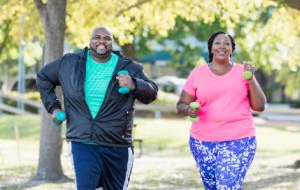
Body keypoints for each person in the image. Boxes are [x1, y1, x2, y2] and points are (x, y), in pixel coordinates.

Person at [36, 26, 158, 190]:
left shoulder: (130, 67)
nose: (102, 41)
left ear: (112, 43)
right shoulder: (69, 63)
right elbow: (43, 77)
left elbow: (151, 94)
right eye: (97, 37)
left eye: (107, 38)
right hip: (83, 141)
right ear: (90, 41)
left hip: (117, 144)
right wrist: (54, 108)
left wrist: (134, 84)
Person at [177, 31, 267, 190]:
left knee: (226, 186)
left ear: (232, 49)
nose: (222, 46)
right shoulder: (198, 73)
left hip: (240, 140)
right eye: (217, 42)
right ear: (211, 48)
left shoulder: (243, 72)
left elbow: (259, 106)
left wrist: (250, 78)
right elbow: (181, 105)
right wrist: (189, 109)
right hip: (202, 142)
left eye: (227, 43)